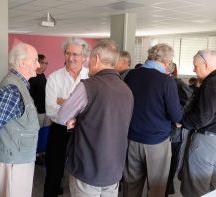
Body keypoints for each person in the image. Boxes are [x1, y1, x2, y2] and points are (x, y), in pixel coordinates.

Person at [57, 39, 134, 197]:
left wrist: (77, 119)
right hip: (114, 168)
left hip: (88, 167)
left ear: (97, 59)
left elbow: (62, 116)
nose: (87, 63)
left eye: (89, 58)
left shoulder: (88, 86)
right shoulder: (127, 90)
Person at [122, 43, 183, 197]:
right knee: (156, 188)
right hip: (157, 141)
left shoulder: (131, 75)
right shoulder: (166, 81)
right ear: (167, 60)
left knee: (131, 186)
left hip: (132, 139)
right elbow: (176, 115)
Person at [0, 42, 40, 197]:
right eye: (34, 60)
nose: (38, 65)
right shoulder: (12, 90)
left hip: (19, 159)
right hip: (14, 162)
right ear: (21, 63)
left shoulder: (19, 85)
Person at [44, 37, 89, 197]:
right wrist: (76, 108)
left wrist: (64, 102)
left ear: (84, 57)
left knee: (82, 173)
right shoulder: (54, 78)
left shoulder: (91, 77)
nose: (71, 58)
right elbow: (50, 109)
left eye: (76, 54)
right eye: (68, 53)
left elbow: (92, 107)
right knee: (53, 173)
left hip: (83, 132)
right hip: (59, 131)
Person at [180, 49, 216, 197]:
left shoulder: (211, 82)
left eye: (195, 66)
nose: (193, 70)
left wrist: (183, 122)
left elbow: (203, 117)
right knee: (215, 186)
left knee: (195, 188)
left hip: (207, 142)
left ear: (206, 64)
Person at [165, 63, 192, 196]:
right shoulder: (162, 82)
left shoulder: (179, 84)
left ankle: (169, 185)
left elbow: (190, 101)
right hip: (164, 130)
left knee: (172, 161)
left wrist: (180, 120)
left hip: (174, 132)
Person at [29, 54, 49, 165]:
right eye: (44, 63)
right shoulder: (32, 77)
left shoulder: (43, 76)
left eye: (47, 63)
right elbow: (30, 96)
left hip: (46, 110)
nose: (46, 65)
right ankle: (36, 155)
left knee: (44, 133)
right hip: (37, 111)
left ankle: (43, 153)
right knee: (37, 133)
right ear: (39, 63)